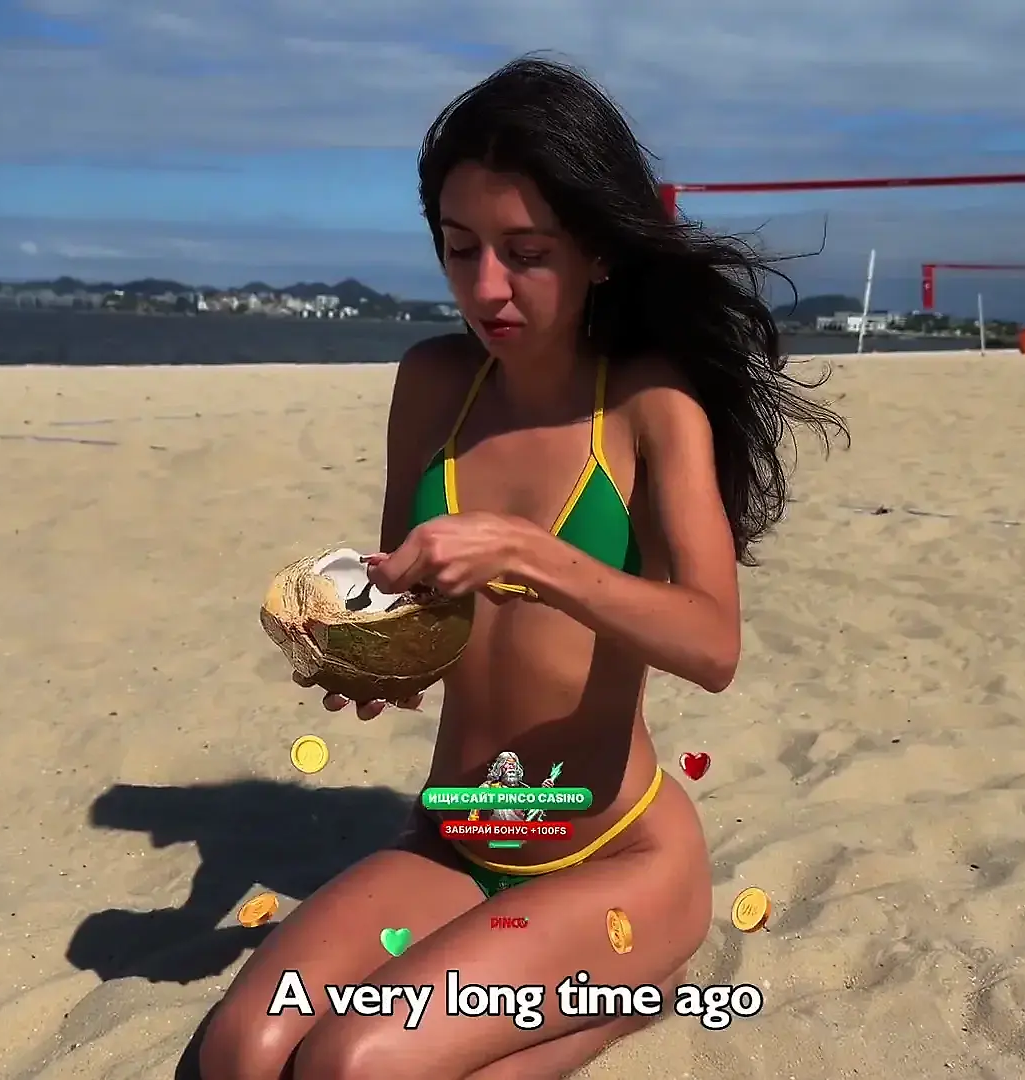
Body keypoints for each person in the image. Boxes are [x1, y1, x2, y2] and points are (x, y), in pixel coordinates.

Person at [195, 54, 847, 1080]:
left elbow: (713, 644)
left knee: (353, 1065)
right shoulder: (433, 383)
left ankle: (624, 998)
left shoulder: (649, 406)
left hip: (611, 856)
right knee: (244, 1051)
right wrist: (370, 658)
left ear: (598, 251)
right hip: (454, 838)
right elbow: (419, 606)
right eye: (460, 249)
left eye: (526, 252)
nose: (485, 287)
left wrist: (528, 552)